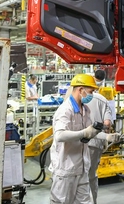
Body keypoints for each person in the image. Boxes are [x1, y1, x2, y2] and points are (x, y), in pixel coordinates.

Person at [49, 74, 102, 204]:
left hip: (82, 167)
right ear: (80, 90)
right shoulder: (65, 110)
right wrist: (84, 132)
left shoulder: (86, 110)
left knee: (85, 202)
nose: (92, 95)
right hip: (65, 169)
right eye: (90, 91)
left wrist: (107, 136)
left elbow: (89, 133)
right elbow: (59, 135)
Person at [86, 71, 114, 204]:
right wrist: (106, 135)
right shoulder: (103, 99)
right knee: (91, 175)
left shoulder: (76, 99)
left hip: (79, 143)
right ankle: (93, 201)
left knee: (80, 176)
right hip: (95, 143)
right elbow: (108, 123)